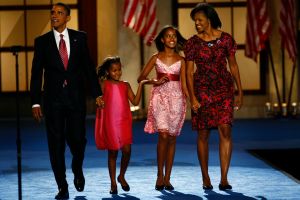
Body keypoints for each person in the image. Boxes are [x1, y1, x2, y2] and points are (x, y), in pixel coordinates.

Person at [30, 2, 103, 199]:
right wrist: (35, 102)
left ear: (68, 17)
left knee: (78, 140)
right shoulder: (42, 41)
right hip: (52, 101)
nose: (54, 15)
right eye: (52, 12)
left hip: (75, 99)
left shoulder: (80, 38)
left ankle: (77, 168)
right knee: (56, 143)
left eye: (59, 13)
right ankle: (62, 185)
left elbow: (88, 68)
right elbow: (36, 74)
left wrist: (97, 93)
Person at [184, 3, 243, 191]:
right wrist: (192, 97)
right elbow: (188, 72)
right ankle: (205, 177)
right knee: (203, 133)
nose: (197, 23)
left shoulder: (226, 39)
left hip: (224, 89)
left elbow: (233, 65)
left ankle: (224, 178)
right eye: (195, 21)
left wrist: (239, 91)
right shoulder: (192, 43)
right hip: (202, 90)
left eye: (200, 20)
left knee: (225, 129)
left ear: (209, 19)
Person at [138, 25, 188, 191]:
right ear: (162, 39)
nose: (172, 38)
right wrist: (155, 81)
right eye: (168, 36)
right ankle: (159, 175)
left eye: (174, 36)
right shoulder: (156, 57)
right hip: (159, 97)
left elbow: (185, 84)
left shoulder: (182, 60)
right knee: (164, 136)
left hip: (177, 99)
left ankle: (168, 178)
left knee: (172, 138)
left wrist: (193, 101)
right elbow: (141, 78)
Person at [94, 56, 149, 194]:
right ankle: (113, 183)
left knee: (127, 151)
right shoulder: (103, 84)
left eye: (119, 70)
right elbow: (97, 97)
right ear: (107, 72)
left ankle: (121, 176)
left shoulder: (125, 85)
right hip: (110, 122)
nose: (117, 73)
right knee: (112, 152)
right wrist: (98, 99)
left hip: (124, 121)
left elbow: (135, 102)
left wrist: (141, 85)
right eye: (114, 70)